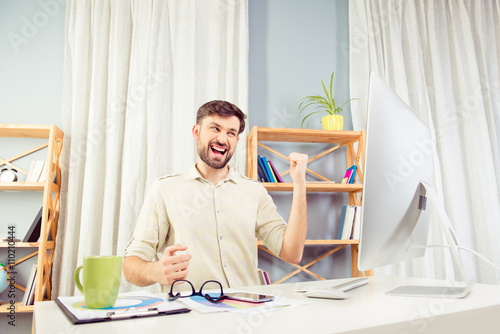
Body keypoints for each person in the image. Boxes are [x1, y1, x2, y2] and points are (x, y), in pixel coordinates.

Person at [123, 100, 308, 291]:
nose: (222, 139)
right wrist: (155, 271)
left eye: (231, 133)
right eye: (215, 128)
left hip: (243, 311)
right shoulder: (164, 189)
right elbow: (130, 266)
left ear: (236, 141)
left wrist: (300, 183)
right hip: (189, 315)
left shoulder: (255, 192)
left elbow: (291, 253)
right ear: (196, 132)